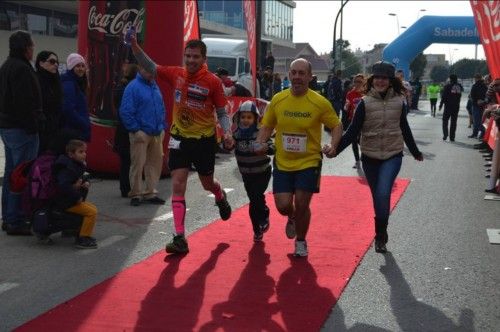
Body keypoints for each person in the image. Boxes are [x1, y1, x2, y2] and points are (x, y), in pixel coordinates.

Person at [130, 35, 234, 254]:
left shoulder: (213, 81)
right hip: (179, 138)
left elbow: (223, 112)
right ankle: (180, 238)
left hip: (204, 141)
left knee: (208, 184)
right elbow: (150, 65)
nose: (191, 60)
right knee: (178, 184)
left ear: (204, 59)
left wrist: (227, 132)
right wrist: (134, 45)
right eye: (188, 56)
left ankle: (220, 196)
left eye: (195, 57)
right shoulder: (176, 73)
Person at [255, 58, 343, 257]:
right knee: (284, 206)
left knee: (303, 204)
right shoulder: (278, 99)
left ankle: (301, 242)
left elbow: (336, 125)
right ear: (289, 75)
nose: (297, 77)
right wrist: (260, 143)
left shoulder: (319, 102)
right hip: (283, 161)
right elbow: (267, 126)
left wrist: (333, 145)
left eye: (301, 73)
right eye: (293, 72)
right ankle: (292, 216)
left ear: (310, 77)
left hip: (309, 161)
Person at [335, 61, 423, 253]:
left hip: (393, 154)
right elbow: (352, 132)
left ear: (391, 81)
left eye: (385, 78)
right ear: (372, 79)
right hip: (370, 155)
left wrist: (415, 151)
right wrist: (335, 150)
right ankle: (381, 230)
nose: (381, 81)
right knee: (378, 197)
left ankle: (380, 235)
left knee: (383, 192)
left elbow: (405, 129)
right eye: (378, 77)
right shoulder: (364, 103)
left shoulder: (399, 102)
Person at [0, 30, 43, 235]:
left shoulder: (6, 66)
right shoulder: (22, 69)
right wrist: (34, 125)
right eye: (32, 45)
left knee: (11, 173)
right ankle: (15, 219)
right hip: (22, 129)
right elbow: (24, 103)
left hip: (8, 127)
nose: (33, 49)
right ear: (26, 48)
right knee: (21, 175)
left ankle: (9, 216)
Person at [224, 101, 275, 241]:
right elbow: (228, 146)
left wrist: (266, 147)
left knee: (256, 196)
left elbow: (272, 147)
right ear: (238, 118)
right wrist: (227, 144)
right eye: (243, 117)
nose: (246, 120)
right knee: (253, 199)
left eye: (249, 117)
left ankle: (264, 215)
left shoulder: (261, 132)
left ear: (256, 119)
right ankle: (256, 230)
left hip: (262, 171)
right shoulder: (236, 134)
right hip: (246, 173)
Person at [119, 65, 166, 206]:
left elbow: (161, 107)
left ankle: (150, 191)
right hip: (141, 132)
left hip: (156, 131)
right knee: (138, 164)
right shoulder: (133, 87)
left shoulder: (153, 86)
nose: (152, 74)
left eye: (153, 71)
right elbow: (126, 111)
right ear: (141, 70)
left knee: (154, 164)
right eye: (149, 70)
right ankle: (136, 193)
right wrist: (135, 129)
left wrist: (162, 126)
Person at [52, 140, 98, 249]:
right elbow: (64, 185)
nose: (84, 154)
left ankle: (80, 232)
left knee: (92, 208)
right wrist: (77, 196)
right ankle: (83, 238)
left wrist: (84, 183)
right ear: (71, 154)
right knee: (91, 212)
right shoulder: (68, 168)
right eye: (80, 152)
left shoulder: (76, 165)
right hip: (65, 201)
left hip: (70, 198)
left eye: (84, 151)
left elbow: (76, 181)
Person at [113, 62, 138, 198]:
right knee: (129, 160)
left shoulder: (121, 86)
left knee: (125, 161)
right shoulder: (130, 88)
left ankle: (125, 187)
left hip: (122, 128)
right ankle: (127, 187)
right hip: (128, 129)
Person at [35, 51, 63, 154]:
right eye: (52, 61)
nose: (55, 64)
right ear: (41, 63)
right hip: (39, 130)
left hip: (54, 129)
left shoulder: (56, 81)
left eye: (57, 62)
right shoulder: (36, 80)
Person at [61, 53, 91, 142]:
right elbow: (68, 109)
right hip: (74, 130)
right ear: (71, 67)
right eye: (77, 66)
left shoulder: (77, 83)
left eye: (82, 66)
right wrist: (83, 123)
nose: (81, 69)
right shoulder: (69, 84)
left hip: (74, 128)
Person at [344, 74, 365, 168]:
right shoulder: (350, 93)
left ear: (363, 82)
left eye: (359, 82)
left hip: (365, 121)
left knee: (362, 141)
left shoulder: (366, 93)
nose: (357, 84)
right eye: (355, 81)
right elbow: (346, 106)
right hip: (353, 120)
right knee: (353, 141)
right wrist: (346, 106)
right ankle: (357, 161)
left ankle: (365, 156)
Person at [439, 74, 463, 141]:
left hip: (448, 106)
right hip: (456, 106)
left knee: (445, 120)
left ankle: (445, 134)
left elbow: (444, 96)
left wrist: (441, 105)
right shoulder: (459, 86)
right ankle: (452, 137)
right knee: (454, 122)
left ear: (450, 79)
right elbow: (460, 94)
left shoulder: (447, 86)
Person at [469, 73, 488, 139]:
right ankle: (476, 133)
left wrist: (476, 100)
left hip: (476, 105)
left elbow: (472, 95)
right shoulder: (484, 86)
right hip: (483, 104)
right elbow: (486, 95)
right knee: (480, 120)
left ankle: (483, 132)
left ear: (476, 78)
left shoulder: (475, 85)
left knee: (476, 121)